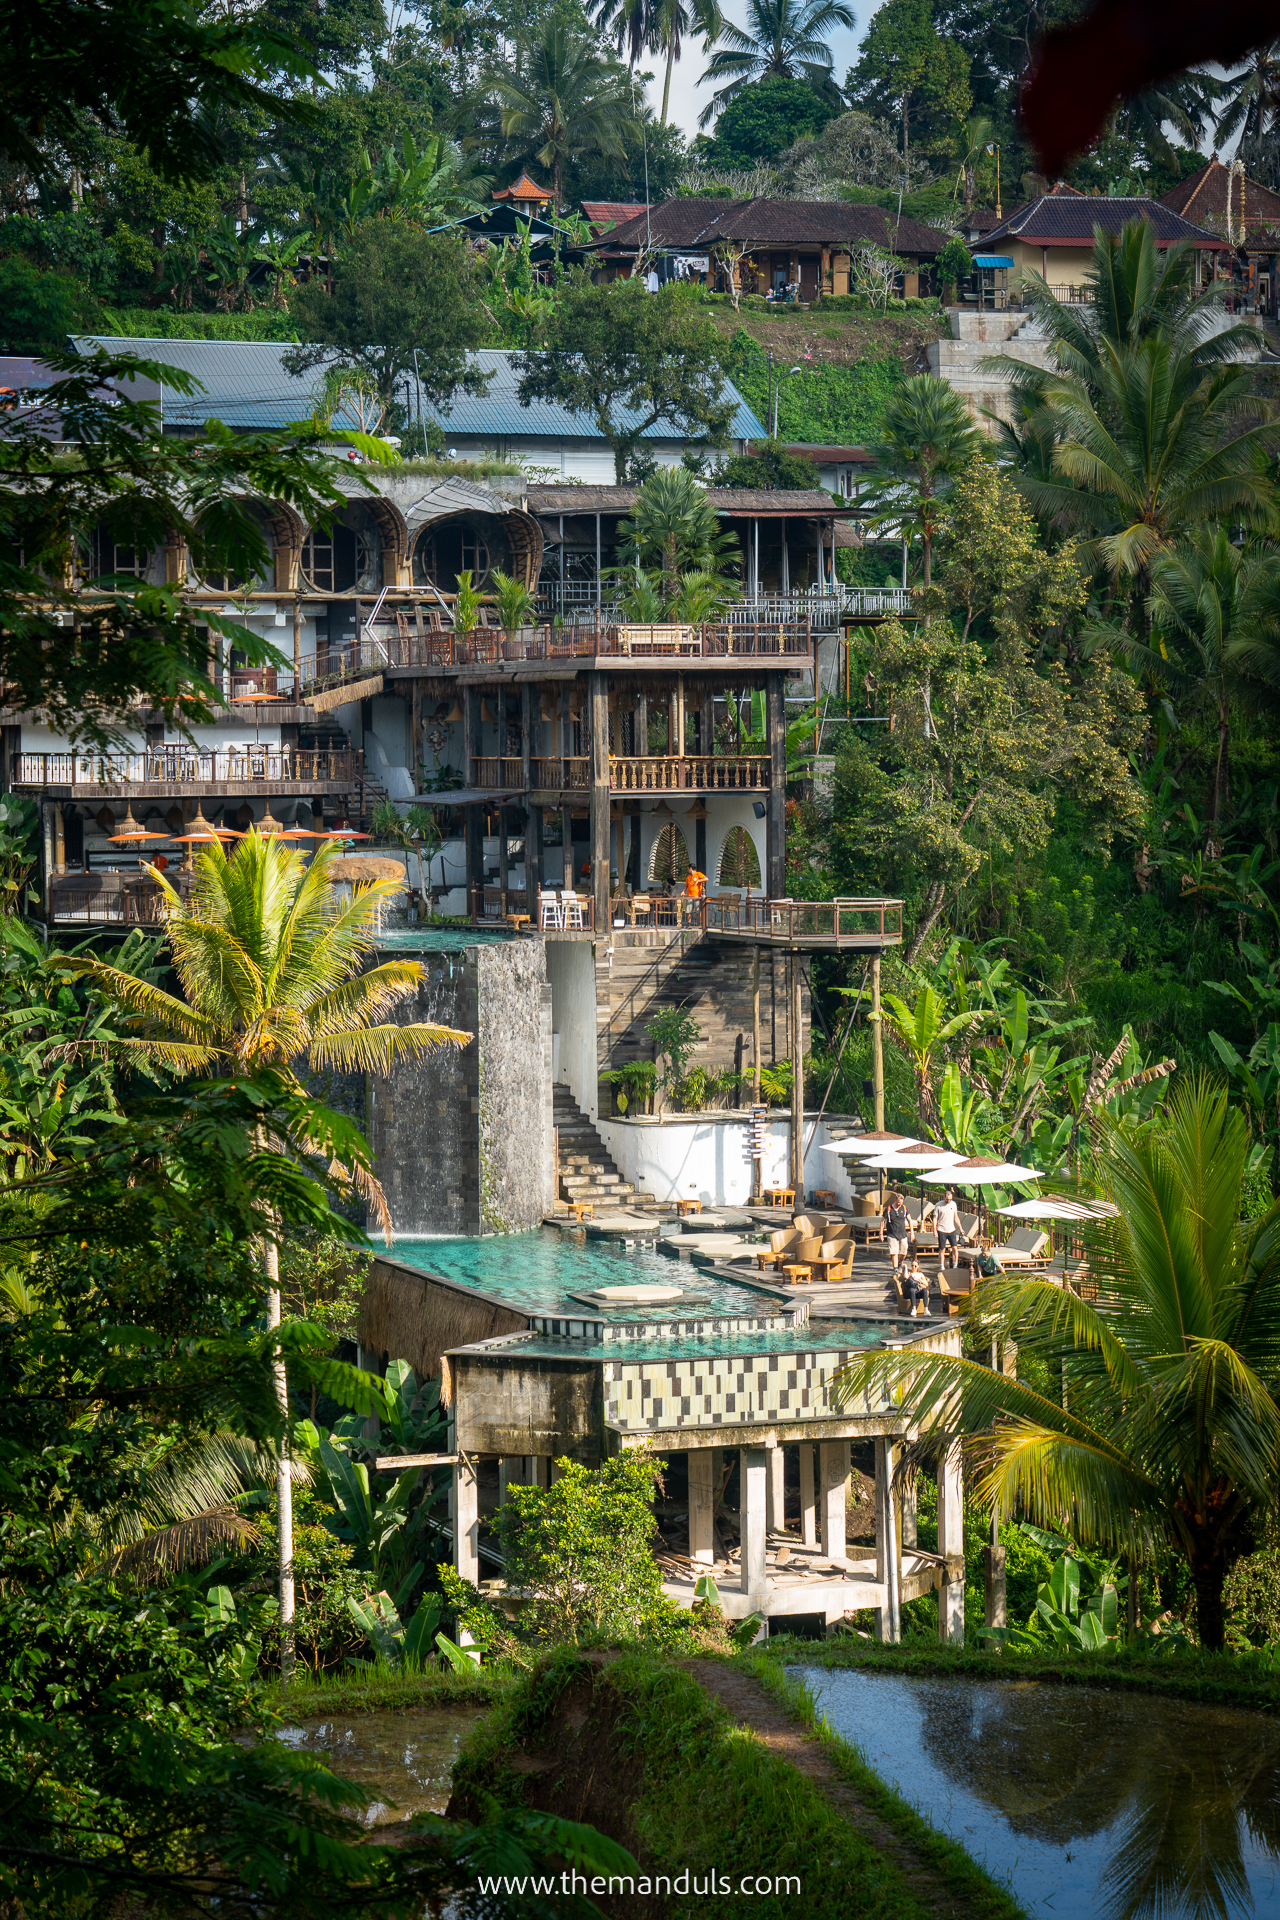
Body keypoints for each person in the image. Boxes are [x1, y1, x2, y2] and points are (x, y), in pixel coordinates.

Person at [882, 1190, 910, 1275]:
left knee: (904, 1252)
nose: (899, 1204)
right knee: (894, 1252)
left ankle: (900, 1262)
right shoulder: (889, 1209)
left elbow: (909, 1220)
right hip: (892, 1234)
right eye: (898, 1202)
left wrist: (912, 1232)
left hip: (902, 1234)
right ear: (895, 1201)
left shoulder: (904, 1208)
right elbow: (882, 1221)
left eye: (901, 1202)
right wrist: (881, 1233)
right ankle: (895, 1269)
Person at [934, 1187, 961, 1269]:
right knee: (942, 1249)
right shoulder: (938, 1205)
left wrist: (960, 1228)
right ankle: (942, 1266)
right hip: (942, 1229)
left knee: (955, 1248)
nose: (948, 1201)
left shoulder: (953, 1204)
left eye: (950, 1199)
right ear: (944, 1197)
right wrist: (934, 1230)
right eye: (947, 1199)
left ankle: (955, 1265)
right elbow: (935, 1218)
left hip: (951, 1229)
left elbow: (956, 1217)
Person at [903, 1250, 929, 1316]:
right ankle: (914, 1309)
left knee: (925, 1290)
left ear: (918, 1266)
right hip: (911, 1292)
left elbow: (926, 1284)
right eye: (912, 1265)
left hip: (919, 1291)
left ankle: (926, 1309)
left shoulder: (920, 1274)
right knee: (911, 1290)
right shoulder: (910, 1273)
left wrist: (919, 1279)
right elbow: (905, 1277)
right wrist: (906, 1268)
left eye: (915, 1266)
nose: (913, 1267)